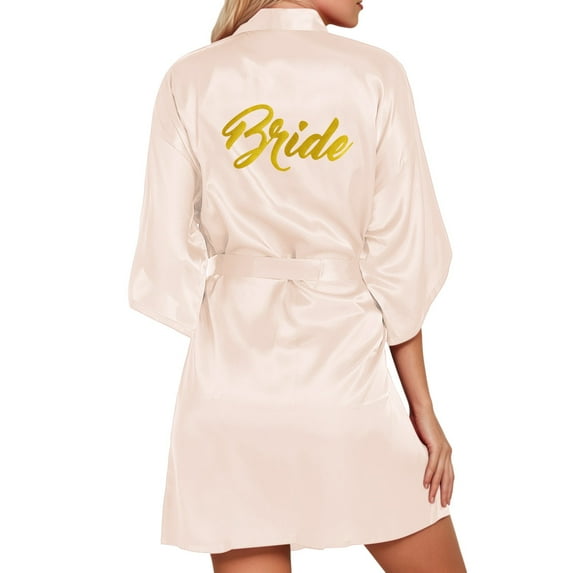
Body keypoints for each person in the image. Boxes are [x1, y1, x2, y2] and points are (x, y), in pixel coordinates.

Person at [127, 0, 467, 571]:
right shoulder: (375, 75)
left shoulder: (190, 78)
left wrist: (237, 292)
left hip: (228, 396)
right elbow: (403, 262)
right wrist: (422, 411)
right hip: (347, 390)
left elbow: (163, 258)